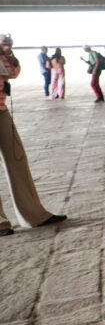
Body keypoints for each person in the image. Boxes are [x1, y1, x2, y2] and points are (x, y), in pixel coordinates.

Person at [0, 35, 67, 237]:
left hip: (1, 109)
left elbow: (12, 74)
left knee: (17, 158)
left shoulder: (2, 54)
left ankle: (34, 215)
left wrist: (8, 54)